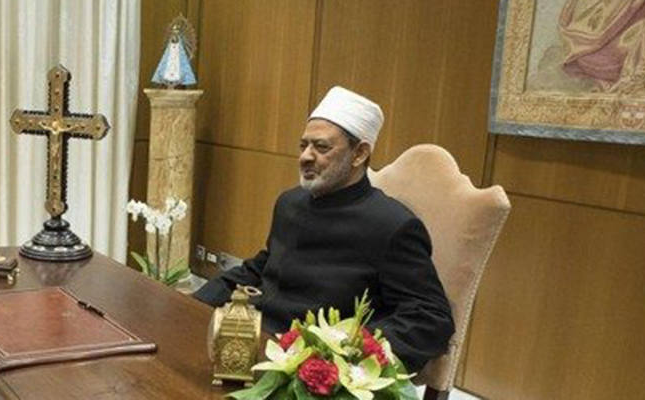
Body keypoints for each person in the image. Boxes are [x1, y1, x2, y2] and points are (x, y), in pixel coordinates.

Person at [192, 87, 454, 372]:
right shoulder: (289, 202)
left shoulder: (392, 225)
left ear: (359, 154)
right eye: (303, 145)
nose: (305, 156)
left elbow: (430, 317)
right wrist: (194, 304)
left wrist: (345, 349)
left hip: (314, 369)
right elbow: (263, 266)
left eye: (321, 147)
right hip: (258, 341)